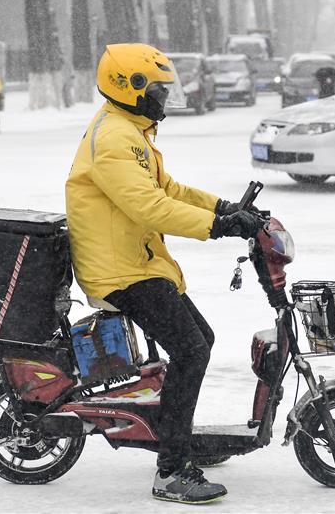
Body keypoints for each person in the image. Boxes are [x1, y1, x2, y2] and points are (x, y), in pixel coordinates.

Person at [65, 43, 263, 505]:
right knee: (191, 348)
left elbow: (166, 188)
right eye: (158, 90)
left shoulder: (131, 130)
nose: (165, 98)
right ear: (129, 88)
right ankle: (171, 471)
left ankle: (177, 434)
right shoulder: (115, 139)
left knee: (200, 340)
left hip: (135, 260)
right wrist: (218, 226)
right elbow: (148, 205)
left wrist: (223, 207)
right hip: (119, 271)